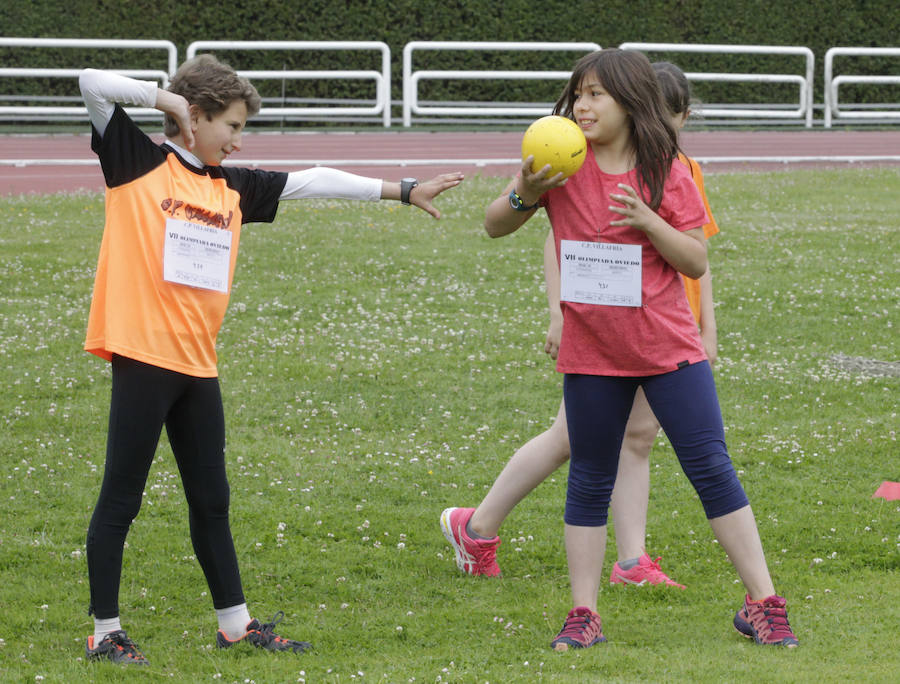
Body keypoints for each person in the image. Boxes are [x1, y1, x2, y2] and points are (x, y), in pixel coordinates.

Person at [78, 54, 463, 666]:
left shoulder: (232, 187)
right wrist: (165, 100)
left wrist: (405, 191)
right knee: (122, 497)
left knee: (211, 499)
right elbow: (92, 84)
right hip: (144, 359)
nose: (238, 139)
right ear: (195, 117)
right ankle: (105, 633)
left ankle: (235, 625)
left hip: (197, 367)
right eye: (230, 125)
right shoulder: (137, 162)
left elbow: (313, 179)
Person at [476, 48, 798, 651]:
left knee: (711, 468)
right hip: (593, 352)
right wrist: (523, 188)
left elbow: (696, 258)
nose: (582, 104)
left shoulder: (664, 168)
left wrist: (650, 220)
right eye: (578, 93)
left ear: (630, 103)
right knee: (590, 479)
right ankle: (583, 614)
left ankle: (763, 602)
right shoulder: (559, 161)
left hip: (669, 349)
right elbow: (494, 224)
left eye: (597, 94)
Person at [440, 60, 721, 589]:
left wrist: (706, 328)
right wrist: (558, 312)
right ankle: (477, 525)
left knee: (629, 437)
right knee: (575, 439)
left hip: (662, 330)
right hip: (607, 328)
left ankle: (628, 560)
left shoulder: (675, 167)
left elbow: (697, 256)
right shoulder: (582, 162)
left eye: (674, 114)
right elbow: (559, 236)